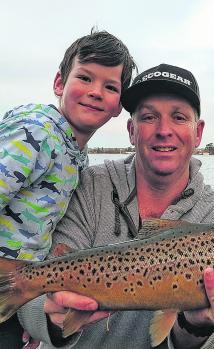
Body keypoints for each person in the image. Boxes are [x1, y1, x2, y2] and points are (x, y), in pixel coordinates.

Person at [18, 63, 214, 349]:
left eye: (178, 117)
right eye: (149, 117)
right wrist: (50, 317)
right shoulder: (87, 186)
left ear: (198, 132)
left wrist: (194, 325)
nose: (164, 130)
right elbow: (32, 298)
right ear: (131, 130)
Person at [0, 29, 136, 348]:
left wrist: (26, 311)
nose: (95, 92)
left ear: (119, 106)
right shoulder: (36, 132)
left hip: (15, 293)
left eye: (110, 86)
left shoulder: (76, 155)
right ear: (59, 83)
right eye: (85, 78)